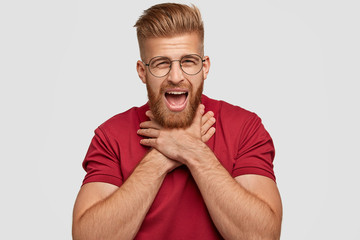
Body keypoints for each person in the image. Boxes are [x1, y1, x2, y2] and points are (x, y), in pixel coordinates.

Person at [72, 3, 282, 240]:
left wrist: (193, 151)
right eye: (161, 63)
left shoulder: (245, 128)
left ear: (205, 67)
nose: (175, 76)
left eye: (188, 61)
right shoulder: (110, 136)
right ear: (142, 71)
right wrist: (160, 158)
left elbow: (263, 236)